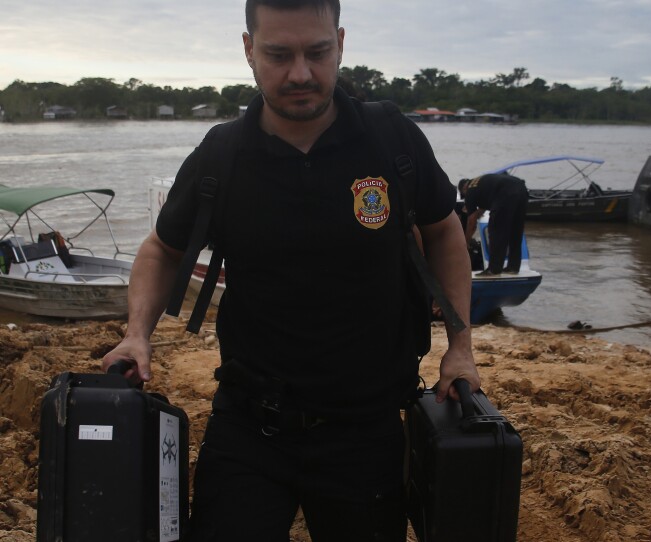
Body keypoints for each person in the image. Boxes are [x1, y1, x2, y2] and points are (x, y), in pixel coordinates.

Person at [100, 1, 479, 540]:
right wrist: (137, 335)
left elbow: (443, 230)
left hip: (366, 428)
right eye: (278, 54)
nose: (300, 73)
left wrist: (460, 349)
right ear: (249, 50)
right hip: (249, 425)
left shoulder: (389, 139)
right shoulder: (223, 155)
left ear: (341, 44)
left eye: (317, 52)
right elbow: (162, 249)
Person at [458, 173, 529, 276]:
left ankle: (494, 269)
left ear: (464, 188)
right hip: (521, 189)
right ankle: (513, 267)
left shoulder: (470, 190)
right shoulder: (481, 183)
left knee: (496, 231)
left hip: (504, 193)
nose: (465, 198)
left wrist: (466, 242)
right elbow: (482, 209)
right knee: (515, 231)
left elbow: (471, 221)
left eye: (464, 195)